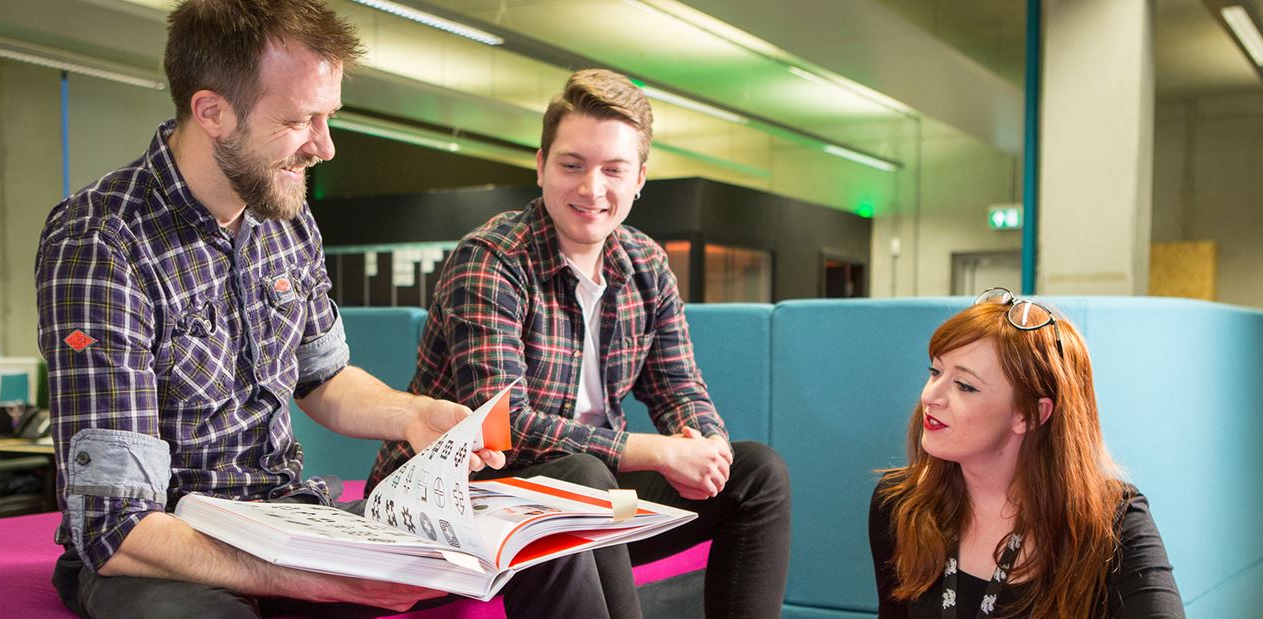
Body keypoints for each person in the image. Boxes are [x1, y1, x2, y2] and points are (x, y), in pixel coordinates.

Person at [34, 1, 610, 617]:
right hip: (172, 548)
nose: (326, 147)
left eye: (328, 116)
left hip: (288, 519)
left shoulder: (284, 217)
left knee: (556, 515)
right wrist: (325, 579)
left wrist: (414, 415)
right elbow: (116, 529)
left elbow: (323, 379)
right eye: (301, 119)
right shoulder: (101, 242)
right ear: (212, 113)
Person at [366, 69, 791, 619]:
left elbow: (678, 387)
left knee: (757, 472)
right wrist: (659, 452)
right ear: (541, 166)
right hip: (452, 500)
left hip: (582, 497)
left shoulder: (646, 265)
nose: (592, 189)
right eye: (572, 165)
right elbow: (505, 425)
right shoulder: (492, 260)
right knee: (584, 477)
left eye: (613, 170)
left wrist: (705, 447)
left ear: (640, 177)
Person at [869, 289, 1184, 618]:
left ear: (1030, 415)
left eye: (964, 385)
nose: (931, 396)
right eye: (935, 372)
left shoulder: (1111, 524)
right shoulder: (901, 504)